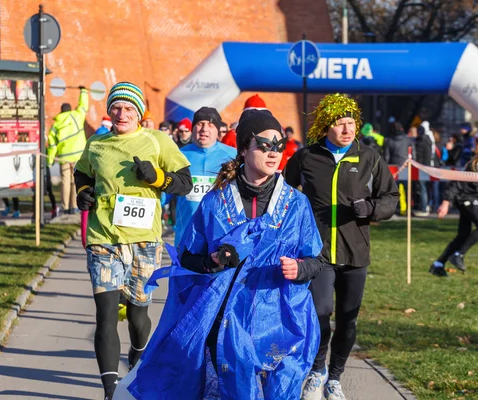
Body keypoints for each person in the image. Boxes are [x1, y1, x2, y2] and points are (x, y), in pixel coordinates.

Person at [114, 109, 324, 400]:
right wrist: (211, 262)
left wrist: (299, 269)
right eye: (264, 144)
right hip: (227, 323)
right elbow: (187, 257)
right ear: (243, 149)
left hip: (279, 322)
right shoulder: (216, 201)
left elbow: (316, 260)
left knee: (282, 386)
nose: (274, 152)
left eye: (279, 145)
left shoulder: (297, 204)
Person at [74, 82, 192, 400]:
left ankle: (138, 357)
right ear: (109, 110)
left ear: (139, 113)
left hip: (145, 242)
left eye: (129, 108)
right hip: (103, 240)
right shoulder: (97, 144)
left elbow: (185, 183)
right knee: (107, 314)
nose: (121, 113)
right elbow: (82, 174)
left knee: (139, 315)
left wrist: (155, 177)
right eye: (116, 107)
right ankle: (111, 391)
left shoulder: (157, 141)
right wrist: (83, 194)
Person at [284, 93, 399, 400]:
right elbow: (285, 192)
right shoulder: (307, 157)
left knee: (348, 316)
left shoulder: (369, 157)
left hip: (354, 253)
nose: (347, 129)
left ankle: (335, 377)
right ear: (325, 126)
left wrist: (371, 209)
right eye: (339, 123)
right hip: (317, 253)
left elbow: (391, 199)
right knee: (321, 312)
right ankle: (317, 370)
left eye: (351, 123)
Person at [430, 140, 478, 277]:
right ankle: (458, 255)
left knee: (463, 235)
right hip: (465, 200)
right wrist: (446, 202)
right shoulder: (476, 166)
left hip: (474, 200)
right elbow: (457, 183)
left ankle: (438, 264)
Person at [172, 107, 236, 248]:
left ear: (218, 130)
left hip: (221, 241)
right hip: (186, 240)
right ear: (193, 128)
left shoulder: (233, 156)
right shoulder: (177, 155)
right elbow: (164, 195)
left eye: (211, 125)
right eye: (200, 124)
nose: (204, 129)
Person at [47, 87, 89, 214]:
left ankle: (65, 207)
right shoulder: (77, 116)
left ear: (61, 111)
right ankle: (75, 206)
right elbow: (83, 105)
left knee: (65, 182)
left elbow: (52, 144)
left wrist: (50, 160)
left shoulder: (56, 124)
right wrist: (83, 92)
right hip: (78, 156)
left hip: (64, 157)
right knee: (75, 181)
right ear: (70, 110)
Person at [384, 121, 409, 215]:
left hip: (393, 168)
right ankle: (407, 208)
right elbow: (412, 153)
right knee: (407, 190)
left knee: (394, 190)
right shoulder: (407, 139)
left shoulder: (389, 141)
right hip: (406, 166)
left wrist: (386, 168)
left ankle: (396, 208)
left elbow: (386, 156)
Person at [414, 125, 432, 216]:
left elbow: (425, 156)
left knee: (422, 188)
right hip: (422, 166)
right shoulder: (426, 140)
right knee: (422, 188)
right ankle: (423, 206)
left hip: (422, 167)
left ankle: (424, 208)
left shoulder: (422, 141)